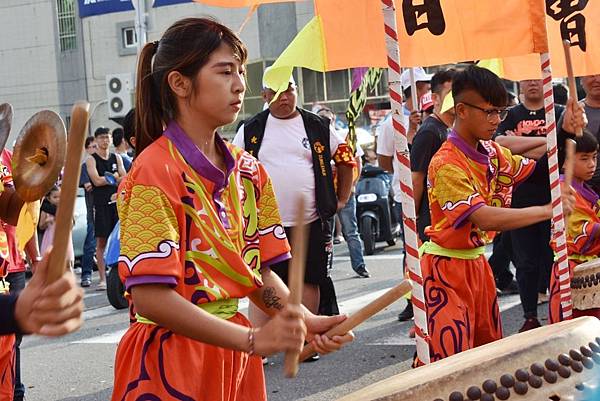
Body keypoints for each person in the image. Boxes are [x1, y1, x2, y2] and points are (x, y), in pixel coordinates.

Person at [112, 18, 353, 401]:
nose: (240, 84)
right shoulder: (151, 172)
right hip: (171, 358)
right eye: (225, 72)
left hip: (233, 356)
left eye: (240, 71)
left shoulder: (249, 171)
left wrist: (305, 320)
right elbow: (151, 298)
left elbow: (256, 271)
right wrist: (253, 338)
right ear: (179, 83)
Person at [418, 65, 574, 364]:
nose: (495, 121)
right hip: (445, 271)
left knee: (487, 359)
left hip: (477, 266)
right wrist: (546, 210)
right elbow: (484, 217)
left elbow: (537, 174)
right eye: (489, 112)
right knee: (449, 363)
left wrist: (565, 130)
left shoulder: (492, 152)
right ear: (461, 110)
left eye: (500, 112)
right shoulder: (446, 162)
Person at [233, 69, 355, 324]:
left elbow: (345, 157)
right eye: (276, 92)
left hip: (309, 220)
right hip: (264, 224)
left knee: (309, 278)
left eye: (289, 90)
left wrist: (341, 198)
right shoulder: (251, 128)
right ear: (264, 95)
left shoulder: (317, 125)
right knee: (263, 279)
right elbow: (231, 168)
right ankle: (262, 342)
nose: (284, 97)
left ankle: (304, 339)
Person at [495, 79, 565, 332]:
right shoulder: (510, 115)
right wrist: (548, 143)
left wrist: (522, 144)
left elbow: (566, 148)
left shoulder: (558, 112)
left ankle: (556, 315)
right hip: (519, 198)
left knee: (554, 258)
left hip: (555, 196)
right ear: (520, 81)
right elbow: (501, 146)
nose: (533, 82)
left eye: (537, 76)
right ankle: (530, 316)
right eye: (528, 77)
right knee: (525, 262)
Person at [378, 67, 432, 322]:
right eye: (422, 87)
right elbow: (384, 162)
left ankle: (433, 295)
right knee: (411, 249)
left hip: (436, 193)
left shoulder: (434, 119)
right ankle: (412, 299)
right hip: (406, 195)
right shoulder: (392, 122)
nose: (426, 91)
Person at [549, 130, 600, 322]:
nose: (592, 164)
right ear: (565, 161)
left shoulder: (586, 189)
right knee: (575, 331)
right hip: (571, 268)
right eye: (584, 158)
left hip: (586, 265)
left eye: (594, 158)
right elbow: (586, 228)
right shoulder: (565, 189)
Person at [316, 106, 369, 278]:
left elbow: (357, 160)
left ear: (333, 121)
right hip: (325, 196)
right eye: (322, 119)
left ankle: (359, 266)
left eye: (328, 120)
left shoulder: (345, 138)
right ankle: (325, 270)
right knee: (326, 236)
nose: (326, 123)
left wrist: (352, 183)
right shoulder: (313, 141)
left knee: (351, 231)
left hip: (346, 194)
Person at [86, 127, 126, 290]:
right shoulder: (91, 159)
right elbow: (96, 180)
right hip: (101, 204)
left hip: (118, 204)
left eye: (107, 137)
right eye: (101, 137)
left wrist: (114, 178)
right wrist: (113, 178)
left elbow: (124, 177)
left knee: (121, 239)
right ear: (95, 140)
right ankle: (103, 279)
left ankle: (122, 275)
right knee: (101, 241)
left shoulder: (117, 157)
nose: (105, 140)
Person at [39, 186, 74, 270]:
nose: (58, 199)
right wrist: (47, 221)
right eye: (55, 197)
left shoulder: (65, 208)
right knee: (50, 262)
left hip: (64, 238)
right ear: (48, 198)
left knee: (67, 262)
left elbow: (71, 225)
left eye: (60, 196)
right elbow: (41, 225)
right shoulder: (46, 210)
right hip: (50, 237)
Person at [79, 136, 97, 287]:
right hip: (93, 210)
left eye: (96, 147)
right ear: (86, 149)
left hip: (109, 208)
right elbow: (90, 185)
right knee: (91, 243)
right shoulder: (85, 165)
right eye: (92, 147)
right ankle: (86, 274)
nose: (94, 150)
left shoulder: (110, 160)